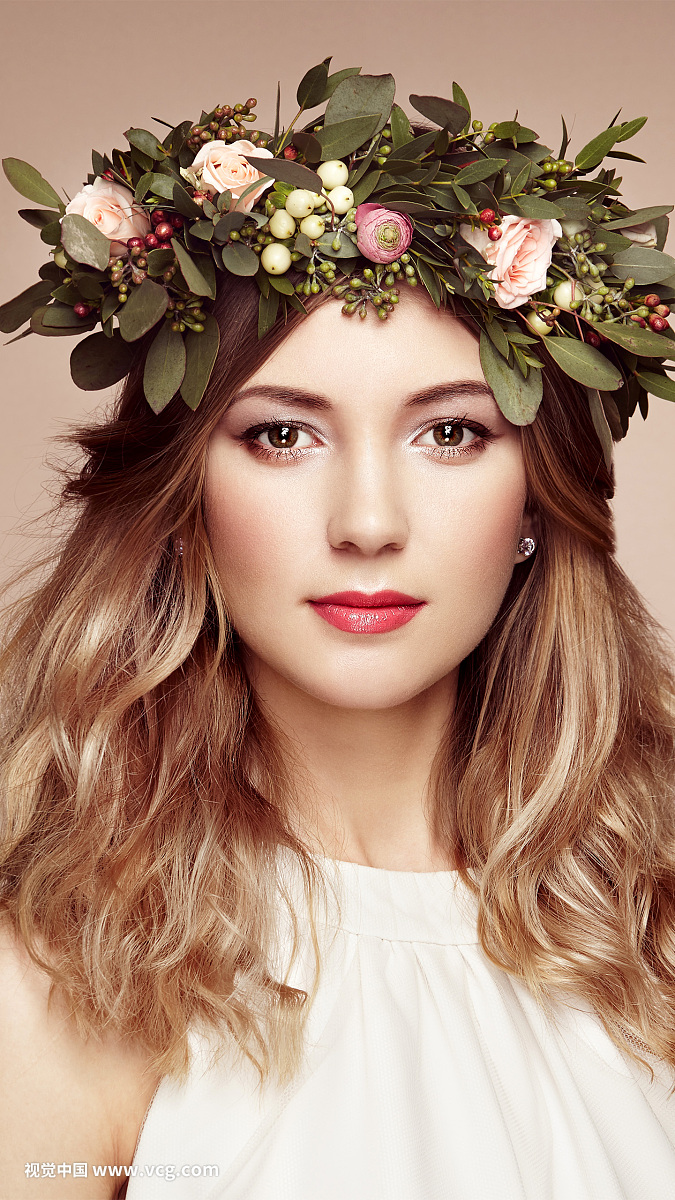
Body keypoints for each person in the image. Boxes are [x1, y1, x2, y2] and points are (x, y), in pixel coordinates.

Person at [2, 64, 675, 1199]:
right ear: (184, 505)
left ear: (536, 501)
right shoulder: (69, 980)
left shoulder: (647, 938)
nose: (369, 523)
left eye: (452, 433)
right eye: (281, 437)